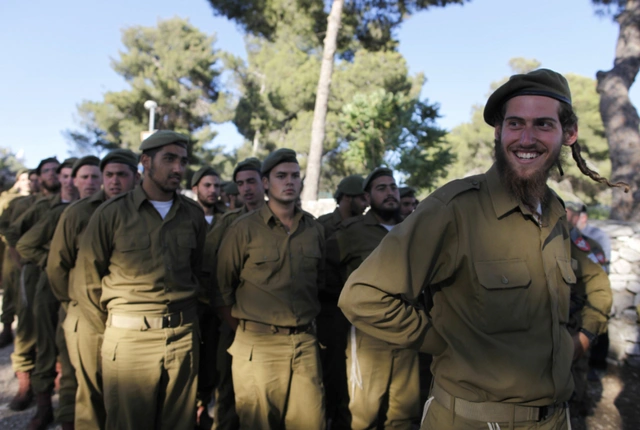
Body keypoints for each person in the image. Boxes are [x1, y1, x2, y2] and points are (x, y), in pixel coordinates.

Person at [338, 69, 619, 429]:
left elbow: (597, 286)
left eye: (543, 125)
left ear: (569, 134)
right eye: (515, 124)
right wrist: (445, 342)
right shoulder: (454, 209)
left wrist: (580, 340)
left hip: (555, 418)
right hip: (473, 420)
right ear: (499, 132)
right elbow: (362, 295)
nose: (527, 138)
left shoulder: (554, 213)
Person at [78, 131, 206, 430]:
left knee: (180, 424)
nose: (178, 168)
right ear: (145, 161)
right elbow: (87, 284)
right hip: (130, 340)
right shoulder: (111, 214)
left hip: (182, 338)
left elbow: (199, 270)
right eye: (169, 159)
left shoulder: (192, 215)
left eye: (183, 161)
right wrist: (112, 333)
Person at [215, 148, 325, 429]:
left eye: (295, 176)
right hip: (259, 346)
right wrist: (249, 331)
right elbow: (222, 289)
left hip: (304, 344)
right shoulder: (243, 230)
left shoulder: (313, 229)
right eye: (280, 176)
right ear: (265, 183)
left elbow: (320, 283)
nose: (289, 181)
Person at [46, 149, 139, 430]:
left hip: (127, 317)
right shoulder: (78, 212)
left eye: (121, 175)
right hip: (86, 315)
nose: (114, 182)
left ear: (135, 178)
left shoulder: (142, 212)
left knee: (128, 392)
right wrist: (74, 304)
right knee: (90, 393)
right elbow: (56, 267)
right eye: (108, 175)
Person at [327, 167, 418, 429]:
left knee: (403, 413)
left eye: (392, 187)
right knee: (362, 414)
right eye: (381, 188)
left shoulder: (411, 228)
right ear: (367, 197)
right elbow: (326, 275)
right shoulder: (350, 232)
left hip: (409, 331)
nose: (390, 192)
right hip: (369, 336)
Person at [17, 157, 81, 430]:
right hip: (48, 288)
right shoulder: (52, 210)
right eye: (63, 175)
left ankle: (71, 411)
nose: (66, 180)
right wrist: (51, 260)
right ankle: (43, 404)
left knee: (71, 352)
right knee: (45, 344)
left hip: (77, 290)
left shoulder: (99, 209)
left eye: (69, 175)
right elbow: (23, 243)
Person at [203, 157, 263, 430]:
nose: (246, 189)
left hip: (275, 325)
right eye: (240, 184)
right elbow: (208, 273)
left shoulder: (292, 222)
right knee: (228, 391)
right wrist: (228, 319)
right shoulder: (227, 223)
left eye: (251, 181)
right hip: (233, 323)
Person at [4, 157, 61, 412]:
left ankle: (55, 383)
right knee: (28, 327)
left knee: (56, 327)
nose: (53, 174)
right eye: (47, 170)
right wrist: (22, 262)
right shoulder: (29, 204)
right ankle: (26, 383)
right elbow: (12, 233)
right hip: (34, 271)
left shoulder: (69, 202)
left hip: (60, 274)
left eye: (56, 170)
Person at [563, 201, 611, 419]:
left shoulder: (586, 245)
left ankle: (577, 407)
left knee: (578, 370)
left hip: (576, 318)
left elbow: (599, 281)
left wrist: (586, 332)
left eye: (568, 213)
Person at [0, 168, 36, 347]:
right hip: (12, 250)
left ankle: (26, 334)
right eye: (23, 179)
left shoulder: (41, 199)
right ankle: (7, 328)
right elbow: (4, 226)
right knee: (10, 290)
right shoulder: (9, 200)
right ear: (18, 182)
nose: (28, 182)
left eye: (30, 179)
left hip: (32, 251)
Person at [317, 175, 368, 240]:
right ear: (347, 196)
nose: (367, 204)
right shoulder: (322, 225)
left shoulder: (366, 225)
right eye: (363, 199)